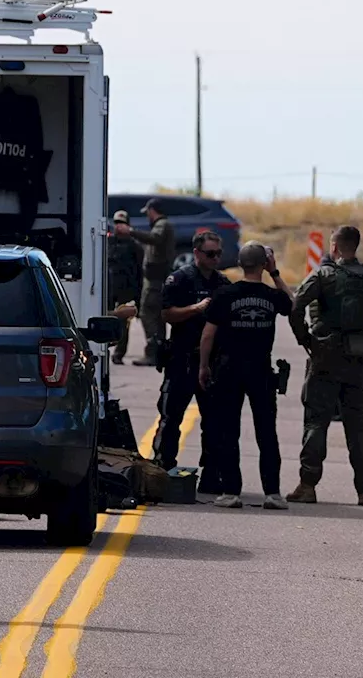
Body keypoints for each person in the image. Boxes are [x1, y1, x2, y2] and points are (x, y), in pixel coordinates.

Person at [286, 226, 363, 507]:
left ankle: (308, 485)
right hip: (359, 361)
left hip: (325, 359)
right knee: (359, 428)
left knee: (316, 422)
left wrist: (306, 340)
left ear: (335, 247)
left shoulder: (324, 275)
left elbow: (296, 307)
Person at [198, 243, 293, 509]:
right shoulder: (271, 296)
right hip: (260, 370)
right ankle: (273, 494)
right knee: (266, 431)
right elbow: (292, 303)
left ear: (240, 264)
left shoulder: (225, 294)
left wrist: (203, 366)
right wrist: (275, 274)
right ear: (264, 263)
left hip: (228, 368)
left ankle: (231, 492)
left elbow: (208, 335)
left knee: (229, 430)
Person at [147, 231, 229, 491]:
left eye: (218, 253)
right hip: (182, 359)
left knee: (215, 421)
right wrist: (195, 309)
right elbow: (167, 314)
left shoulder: (223, 283)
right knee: (171, 418)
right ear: (196, 253)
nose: (215, 258)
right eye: (210, 253)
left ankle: (211, 475)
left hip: (211, 362)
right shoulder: (180, 279)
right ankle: (162, 469)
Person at [114, 197, 176, 366]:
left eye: (148, 212)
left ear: (152, 210)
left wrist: (131, 231)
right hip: (155, 279)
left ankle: (153, 353)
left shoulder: (162, 225)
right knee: (157, 316)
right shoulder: (161, 226)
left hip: (156, 280)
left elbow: (154, 238)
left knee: (148, 315)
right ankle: (159, 352)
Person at [107, 209, 145, 365]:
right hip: (109, 288)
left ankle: (119, 353)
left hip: (126, 289)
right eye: (116, 223)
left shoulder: (135, 246)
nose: (119, 227)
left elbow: (139, 271)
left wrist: (137, 296)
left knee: (123, 323)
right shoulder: (108, 242)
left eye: (122, 223)